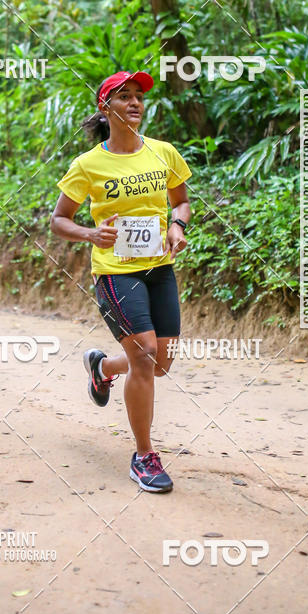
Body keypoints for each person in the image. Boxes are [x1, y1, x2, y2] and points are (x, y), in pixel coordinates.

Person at [50, 71, 191, 493]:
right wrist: (91, 234)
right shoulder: (88, 165)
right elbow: (58, 221)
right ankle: (144, 455)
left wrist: (177, 227)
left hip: (158, 269)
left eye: (139, 97)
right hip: (114, 271)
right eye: (124, 96)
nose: (135, 103)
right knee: (146, 354)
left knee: (160, 363)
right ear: (105, 108)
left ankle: (103, 367)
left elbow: (181, 202)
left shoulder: (163, 153)